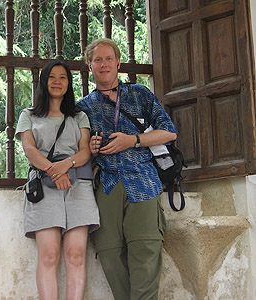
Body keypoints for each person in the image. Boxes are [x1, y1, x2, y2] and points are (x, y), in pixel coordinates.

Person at [76, 38, 177, 300]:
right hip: (107, 184)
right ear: (90, 66)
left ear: (118, 63)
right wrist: (93, 147)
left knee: (145, 253)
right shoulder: (82, 108)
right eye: (98, 60)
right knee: (109, 253)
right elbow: (78, 151)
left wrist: (133, 140)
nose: (104, 64)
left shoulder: (140, 94)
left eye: (109, 59)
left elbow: (169, 133)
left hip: (143, 181)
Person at [15, 60, 99, 300]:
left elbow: (85, 151)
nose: (57, 82)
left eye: (63, 77)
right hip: (44, 187)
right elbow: (30, 150)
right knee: (49, 255)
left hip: (78, 187)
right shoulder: (28, 115)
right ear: (44, 81)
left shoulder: (79, 116)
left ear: (68, 83)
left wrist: (67, 165)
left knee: (76, 254)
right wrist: (54, 171)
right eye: (52, 77)